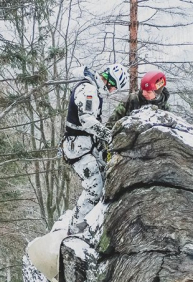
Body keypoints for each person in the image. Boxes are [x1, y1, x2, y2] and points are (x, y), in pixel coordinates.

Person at [62, 63, 128, 235]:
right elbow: (87, 121)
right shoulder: (88, 90)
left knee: (107, 177)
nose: (112, 92)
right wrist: (110, 135)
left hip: (87, 144)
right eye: (114, 88)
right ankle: (76, 228)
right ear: (110, 82)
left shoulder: (90, 87)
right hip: (78, 146)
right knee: (95, 186)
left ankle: (93, 223)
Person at [106, 70, 170, 129]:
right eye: (142, 89)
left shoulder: (165, 108)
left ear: (157, 93)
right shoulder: (131, 100)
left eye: (148, 92)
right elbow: (111, 123)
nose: (144, 93)